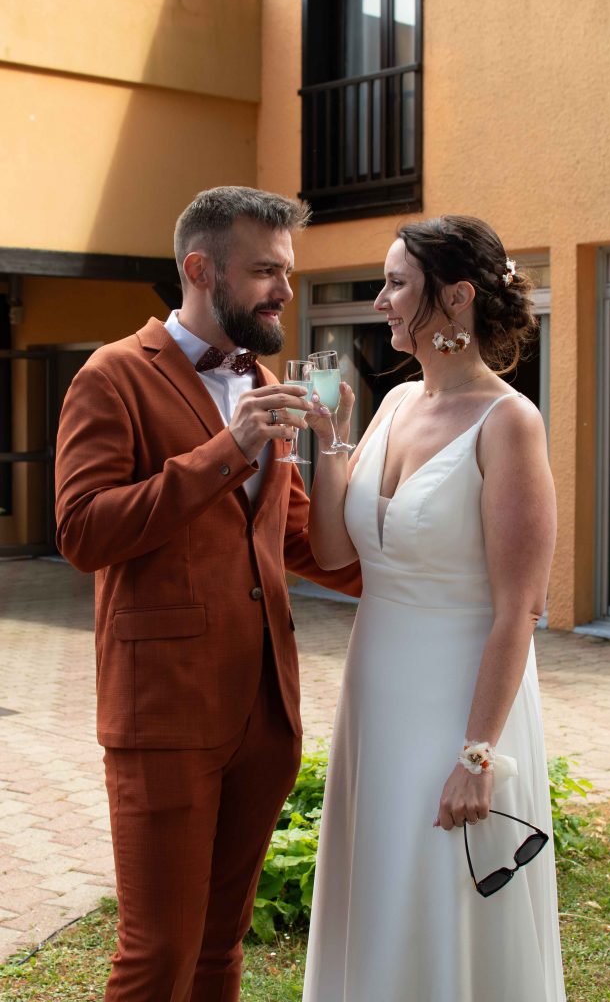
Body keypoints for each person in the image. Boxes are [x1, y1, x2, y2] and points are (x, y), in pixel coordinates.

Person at [54, 185, 361, 1002]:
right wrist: (229, 449)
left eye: (288, 273)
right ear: (200, 268)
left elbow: (292, 538)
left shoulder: (268, 385)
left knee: (223, 949)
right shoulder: (112, 375)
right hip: (165, 713)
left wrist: (431, 572)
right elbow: (83, 531)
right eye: (266, 271)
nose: (285, 292)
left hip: (264, 709)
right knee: (159, 955)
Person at [302, 216, 566, 1001]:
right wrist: (330, 440)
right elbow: (333, 553)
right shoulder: (390, 407)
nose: (379, 300)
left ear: (454, 297)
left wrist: (477, 756)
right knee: (379, 877)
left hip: (461, 700)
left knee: (437, 888)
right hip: (377, 692)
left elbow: (519, 606)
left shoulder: (509, 422)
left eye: (395, 285)